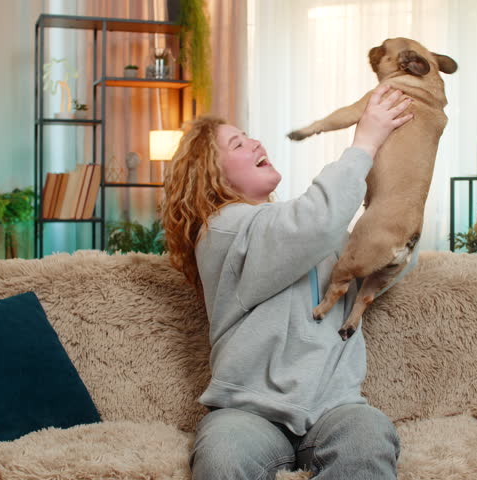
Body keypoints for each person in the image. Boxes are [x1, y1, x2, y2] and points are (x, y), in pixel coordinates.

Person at [161, 84, 415, 480]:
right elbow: (314, 221)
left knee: (369, 439)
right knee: (222, 458)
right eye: (237, 144)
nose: (255, 142)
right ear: (210, 174)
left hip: (336, 407)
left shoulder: (307, 233)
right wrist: (364, 142)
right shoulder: (223, 232)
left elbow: (383, 260)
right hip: (249, 413)